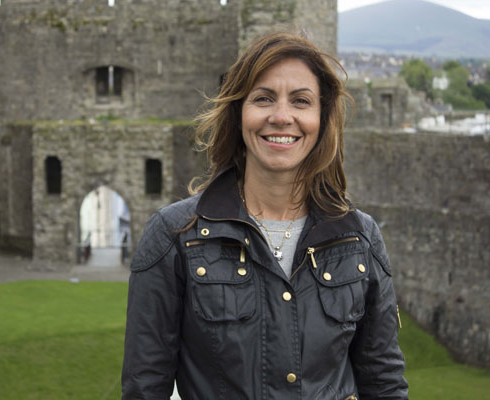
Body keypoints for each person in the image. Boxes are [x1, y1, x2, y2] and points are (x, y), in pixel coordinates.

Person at [122, 32, 408, 400]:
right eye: (263, 98)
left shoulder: (360, 238)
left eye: (301, 101)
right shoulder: (174, 235)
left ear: (322, 118)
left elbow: (384, 383)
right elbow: (145, 389)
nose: (281, 116)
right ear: (239, 112)